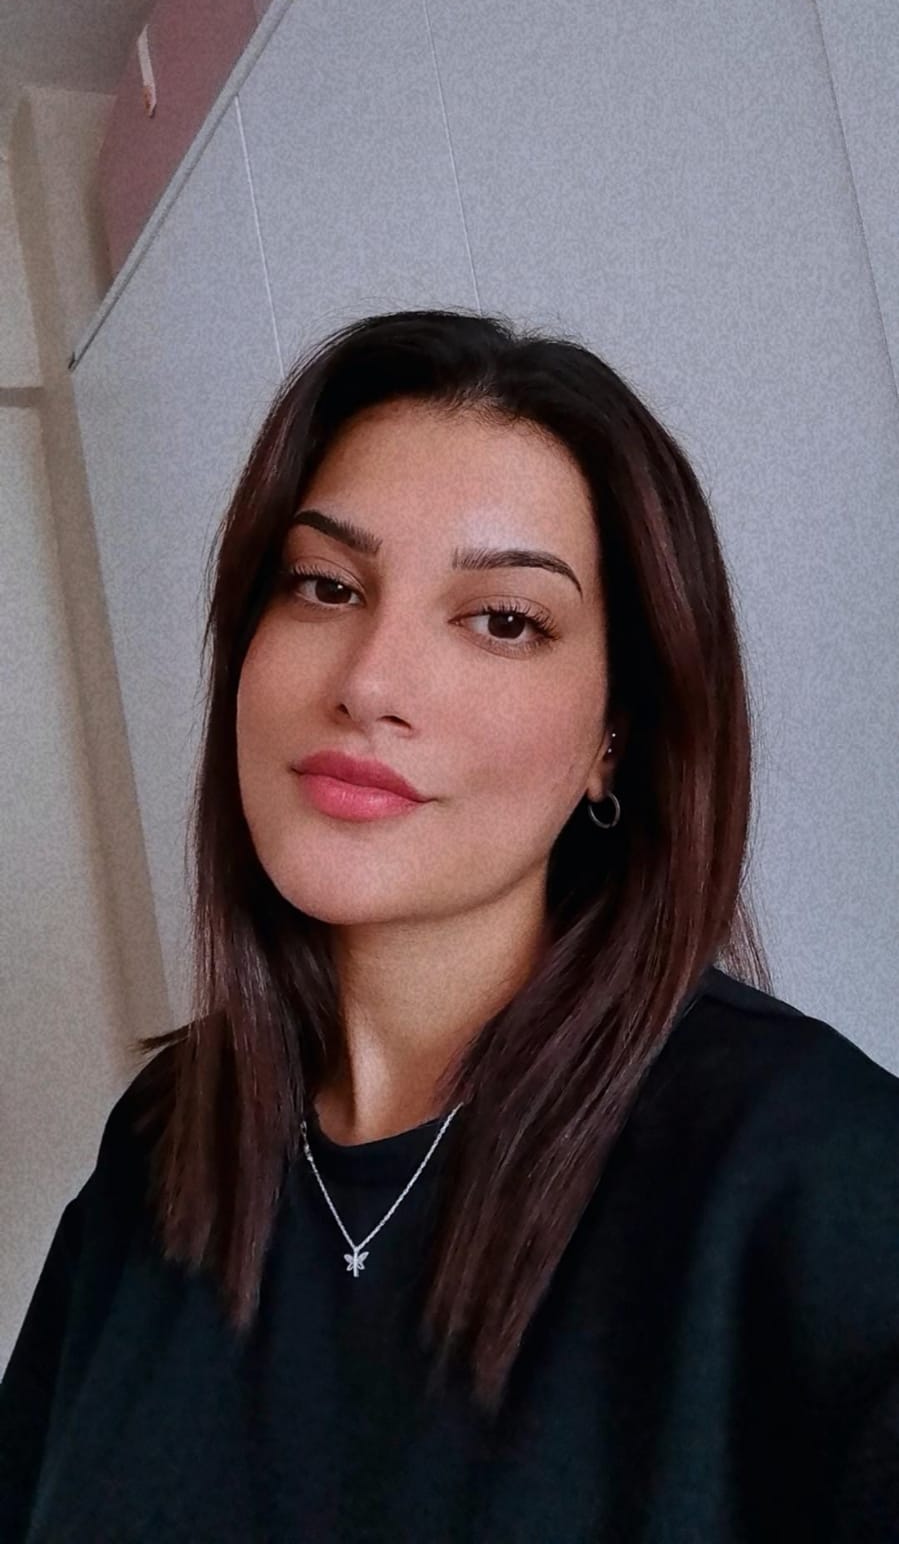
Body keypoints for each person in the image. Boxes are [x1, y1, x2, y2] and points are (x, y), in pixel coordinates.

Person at [2, 308, 897, 1542]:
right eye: (325, 586)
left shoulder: (815, 1169)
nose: (368, 680)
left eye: (502, 620)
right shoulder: (164, 1141)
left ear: (615, 736)